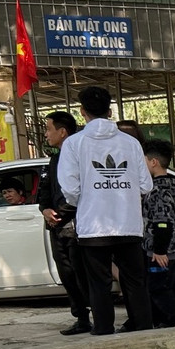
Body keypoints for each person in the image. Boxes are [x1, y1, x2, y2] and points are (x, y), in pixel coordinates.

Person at [57, 85, 154, 335]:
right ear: (110, 111)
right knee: (134, 280)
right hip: (128, 223)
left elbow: (69, 187)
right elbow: (145, 184)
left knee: (98, 282)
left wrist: (90, 199)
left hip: (93, 226)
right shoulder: (131, 143)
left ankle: (102, 329)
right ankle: (142, 327)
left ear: (82, 111)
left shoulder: (73, 144)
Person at [38, 111, 89, 335]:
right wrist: (46, 209)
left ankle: (98, 314)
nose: (46, 134)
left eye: (48, 129)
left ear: (62, 131)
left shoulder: (80, 156)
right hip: (58, 226)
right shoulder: (55, 159)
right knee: (67, 274)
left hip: (79, 226)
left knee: (83, 274)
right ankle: (81, 318)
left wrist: (62, 214)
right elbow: (45, 190)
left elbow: (81, 194)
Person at [141, 139, 175, 328]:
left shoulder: (159, 189)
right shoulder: (172, 185)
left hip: (161, 250)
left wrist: (159, 250)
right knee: (172, 285)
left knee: (158, 287)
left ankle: (174, 320)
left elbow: (163, 223)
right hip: (174, 246)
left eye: (143, 160)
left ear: (154, 162)